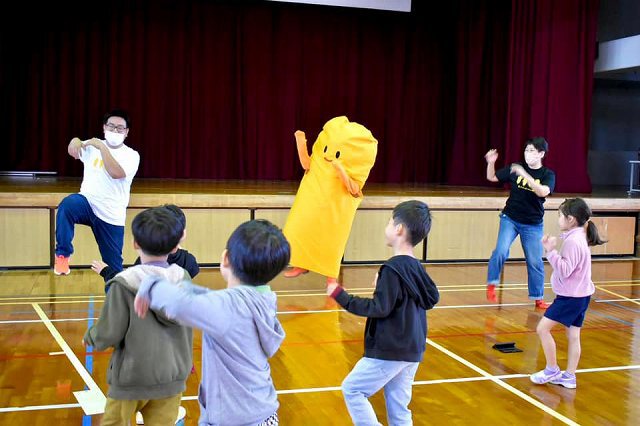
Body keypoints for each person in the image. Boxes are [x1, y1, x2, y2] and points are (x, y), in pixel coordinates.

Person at [134, 219, 290, 425]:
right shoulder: (262, 299)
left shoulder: (230, 307)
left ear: (225, 258)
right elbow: (208, 299)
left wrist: (151, 283)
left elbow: (180, 304)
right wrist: (182, 284)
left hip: (235, 418)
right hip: (260, 413)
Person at [327, 200, 440, 425]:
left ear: (399, 229)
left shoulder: (392, 268)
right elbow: (428, 296)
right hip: (412, 349)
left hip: (392, 349)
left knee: (353, 389)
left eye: (390, 222)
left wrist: (341, 295)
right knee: (399, 406)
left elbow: (379, 308)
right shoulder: (415, 267)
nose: (387, 226)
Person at [83, 207, 192, 425]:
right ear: (176, 246)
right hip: (172, 376)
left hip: (132, 377)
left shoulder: (124, 283)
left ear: (135, 243)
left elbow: (110, 330)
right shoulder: (183, 278)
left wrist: (92, 337)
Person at [54, 109, 140, 276]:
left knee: (113, 267)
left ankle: (117, 300)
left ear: (127, 132)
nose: (115, 130)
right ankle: (63, 255)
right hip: (87, 203)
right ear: (104, 128)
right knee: (68, 205)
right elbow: (75, 147)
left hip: (111, 215)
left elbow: (116, 173)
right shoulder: (93, 145)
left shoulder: (131, 155)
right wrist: (75, 140)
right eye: (111, 126)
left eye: (120, 128)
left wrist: (102, 147)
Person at [530, 198, 605, 389]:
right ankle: (569, 376)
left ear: (571, 219)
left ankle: (552, 369)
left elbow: (565, 270)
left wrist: (551, 251)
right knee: (573, 336)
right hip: (580, 296)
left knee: (542, 329)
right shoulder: (579, 236)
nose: (558, 219)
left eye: (560, 216)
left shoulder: (573, 241)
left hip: (570, 297)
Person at [485, 137, 556, 309]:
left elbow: (542, 192)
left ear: (541, 154)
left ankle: (538, 298)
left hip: (533, 224)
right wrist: (491, 162)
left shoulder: (547, 174)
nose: (527, 154)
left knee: (535, 261)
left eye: (532, 151)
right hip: (510, 218)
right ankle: (492, 284)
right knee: (500, 251)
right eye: (526, 150)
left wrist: (524, 174)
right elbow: (492, 177)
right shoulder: (515, 166)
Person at [92, 204, 199, 291]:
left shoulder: (145, 262)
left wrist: (106, 271)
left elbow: (128, 283)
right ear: (182, 234)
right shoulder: (190, 261)